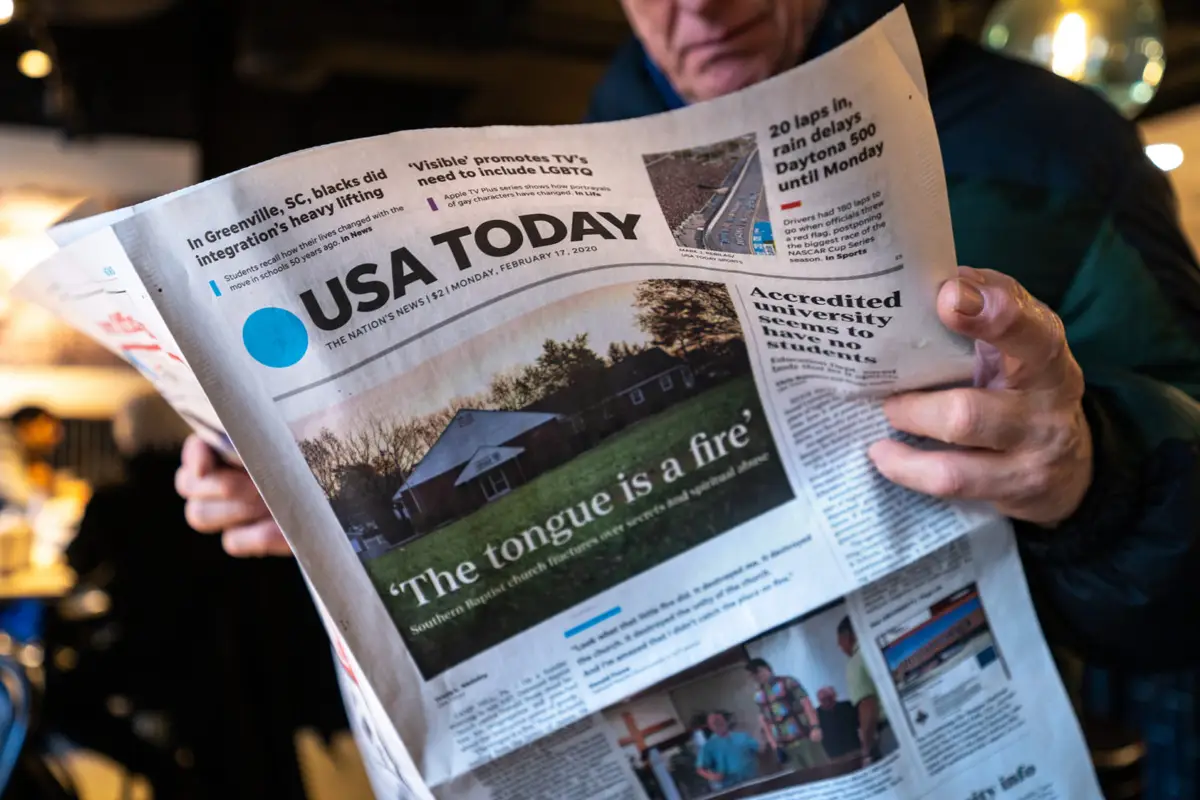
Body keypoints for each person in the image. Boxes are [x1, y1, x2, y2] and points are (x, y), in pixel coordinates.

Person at [177, 0, 1200, 787]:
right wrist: (312, 493)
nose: (698, 8)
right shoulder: (590, 147)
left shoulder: (1056, 148)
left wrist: (1096, 470)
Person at [746, 658, 828, 770]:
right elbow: (765, 721)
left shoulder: (787, 682)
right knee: (803, 779)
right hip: (785, 745)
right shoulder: (759, 696)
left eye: (758, 672)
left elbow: (806, 704)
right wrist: (775, 745)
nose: (757, 677)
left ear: (766, 668)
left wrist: (815, 727)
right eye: (753, 675)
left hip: (804, 736)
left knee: (821, 770)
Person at [836, 617, 897, 765]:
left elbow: (868, 707)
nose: (840, 647)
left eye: (840, 642)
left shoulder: (855, 663)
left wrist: (866, 749)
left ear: (849, 637)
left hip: (890, 730)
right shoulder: (884, 646)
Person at [695, 711, 764, 790]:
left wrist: (763, 728)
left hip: (753, 782)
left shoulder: (742, 736)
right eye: (715, 722)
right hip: (731, 788)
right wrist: (713, 777)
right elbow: (700, 769)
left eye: (719, 720)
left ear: (725, 721)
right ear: (710, 726)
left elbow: (760, 749)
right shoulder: (709, 746)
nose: (718, 723)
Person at [814, 686, 861, 760]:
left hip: (855, 748)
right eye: (823, 699)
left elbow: (858, 723)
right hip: (835, 755)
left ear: (834, 696)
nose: (826, 701)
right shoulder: (816, 715)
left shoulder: (847, 706)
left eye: (828, 697)